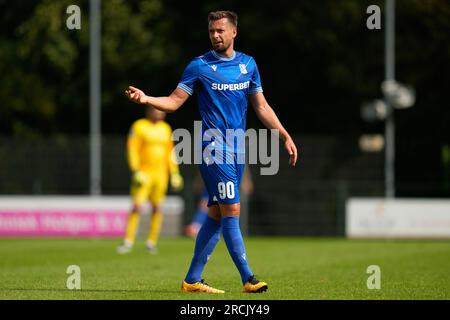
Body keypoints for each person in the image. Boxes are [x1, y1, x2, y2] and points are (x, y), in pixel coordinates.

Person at [125, 11, 297, 293]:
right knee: (232, 209)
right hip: (213, 149)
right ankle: (248, 278)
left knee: (217, 214)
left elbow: (261, 107)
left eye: (220, 30)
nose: (215, 35)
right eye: (211, 31)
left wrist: (283, 134)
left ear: (233, 33)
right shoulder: (199, 66)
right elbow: (173, 101)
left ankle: (192, 280)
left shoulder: (248, 65)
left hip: (238, 149)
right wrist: (146, 98)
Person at [117, 106, 184, 255]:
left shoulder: (166, 128)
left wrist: (174, 172)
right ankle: (128, 241)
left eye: (162, 112)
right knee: (136, 207)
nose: (160, 114)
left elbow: (170, 152)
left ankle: (151, 242)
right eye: (157, 111)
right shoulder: (139, 126)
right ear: (149, 112)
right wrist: (135, 170)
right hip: (144, 174)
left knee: (157, 208)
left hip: (160, 175)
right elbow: (132, 148)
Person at [184, 167, 253, 238]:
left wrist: (246, 180)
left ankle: (200, 226)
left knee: (225, 210)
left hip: (228, 185)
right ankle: (197, 225)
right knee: (207, 205)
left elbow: (242, 168)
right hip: (214, 184)